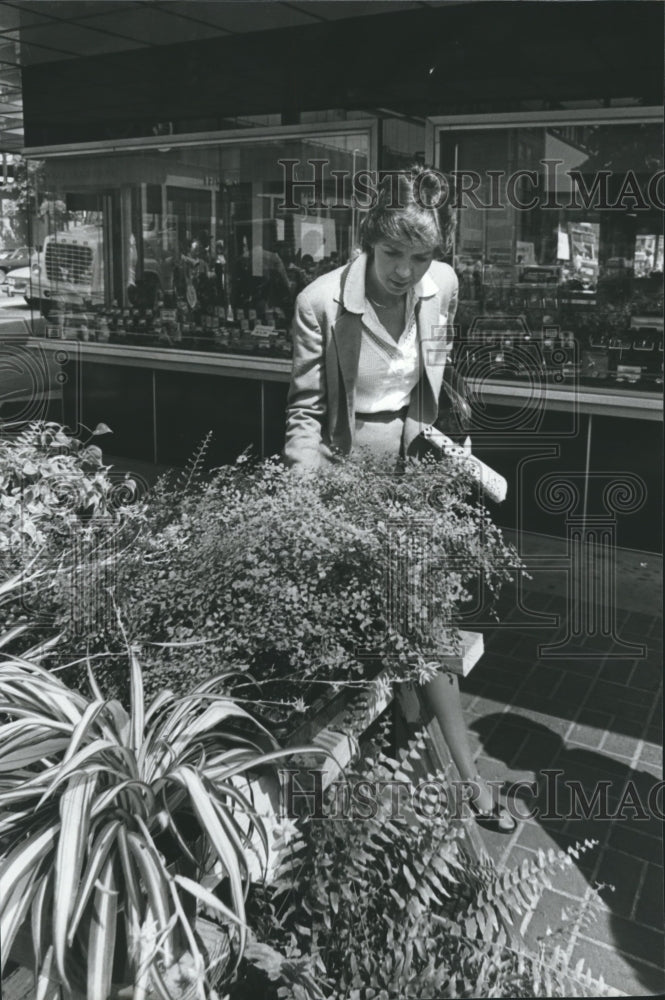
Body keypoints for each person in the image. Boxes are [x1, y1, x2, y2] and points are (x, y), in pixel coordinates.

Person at [283, 168, 515, 831]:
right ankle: (453, 774)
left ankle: (430, 748)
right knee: (404, 617)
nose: (407, 271)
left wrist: (441, 435)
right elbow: (305, 415)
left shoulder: (442, 284)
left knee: (424, 613)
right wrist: (306, 495)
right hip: (349, 474)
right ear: (367, 241)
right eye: (393, 255)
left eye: (421, 257)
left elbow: (434, 366)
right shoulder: (320, 303)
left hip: (418, 468)